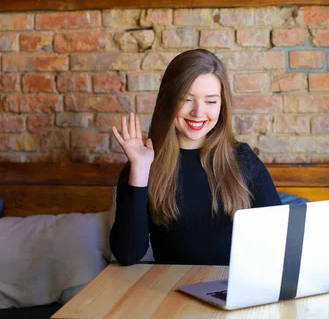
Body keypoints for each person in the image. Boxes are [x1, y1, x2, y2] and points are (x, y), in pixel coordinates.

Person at [110, 49, 281, 266]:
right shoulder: (143, 163)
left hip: (232, 291)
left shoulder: (242, 159)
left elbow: (279, 238)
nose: (198, 112)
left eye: (210, 101)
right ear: (168, 100)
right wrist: (140, 169)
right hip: (170, 292)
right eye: (187, 99)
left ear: (222, 105)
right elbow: (127, 254)